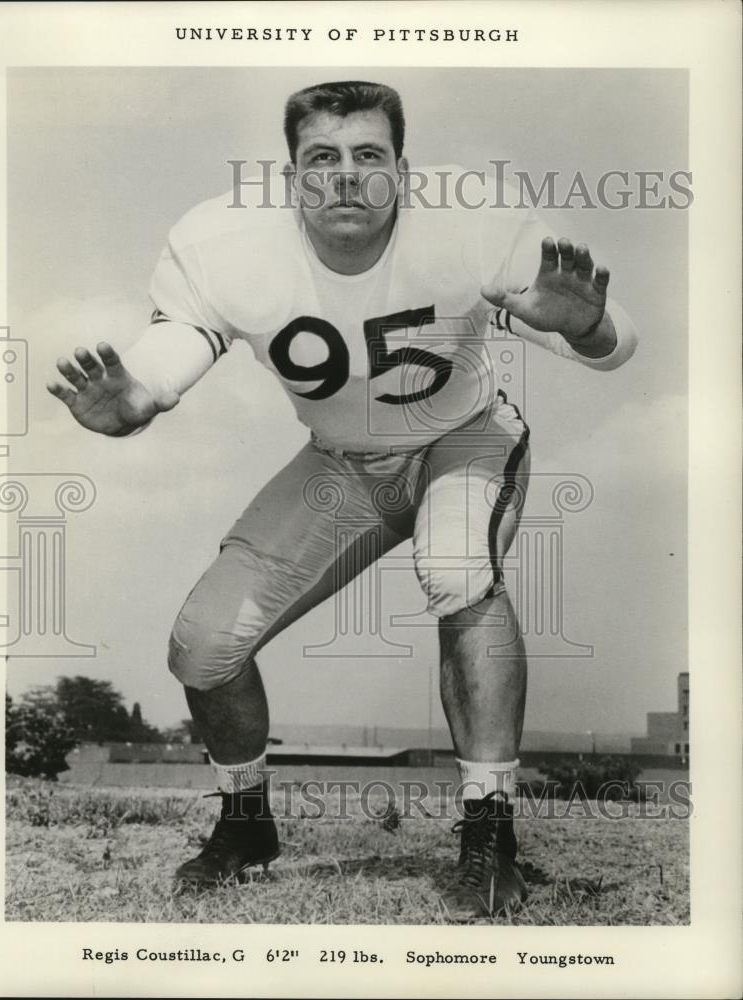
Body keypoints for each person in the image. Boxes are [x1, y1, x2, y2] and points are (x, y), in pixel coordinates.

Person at [47, 81, 637, 919]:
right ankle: (246, 822)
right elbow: (175, 344)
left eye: (368, 156)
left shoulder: (469, 222)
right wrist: (136, 399)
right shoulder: (227, 242)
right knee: (203, 646)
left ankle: (489, 831)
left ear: (403, 168)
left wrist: (582, 327)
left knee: (456, 570)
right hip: (342, 464)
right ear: (289, 176)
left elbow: (614, 346)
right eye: (321, 158)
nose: (346, 178)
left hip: (460, 438)